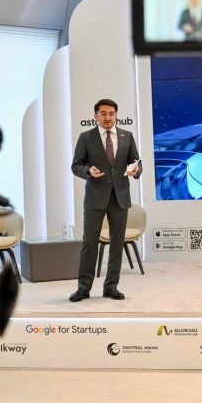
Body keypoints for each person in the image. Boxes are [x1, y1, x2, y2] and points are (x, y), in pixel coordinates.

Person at [70, 99, 142, 302]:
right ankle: (83, 288)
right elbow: (76, 165)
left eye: (111, 113)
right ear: (95, 116)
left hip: (120, 198)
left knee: (117, 244)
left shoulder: (127, 136)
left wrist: (136, 170)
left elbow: (136, 162)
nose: (108, 117)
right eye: (103, 113)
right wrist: (88, 171)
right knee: (89, 243)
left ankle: (111, 287)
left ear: (116, 115)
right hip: (95, 198)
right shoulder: (86, 137)